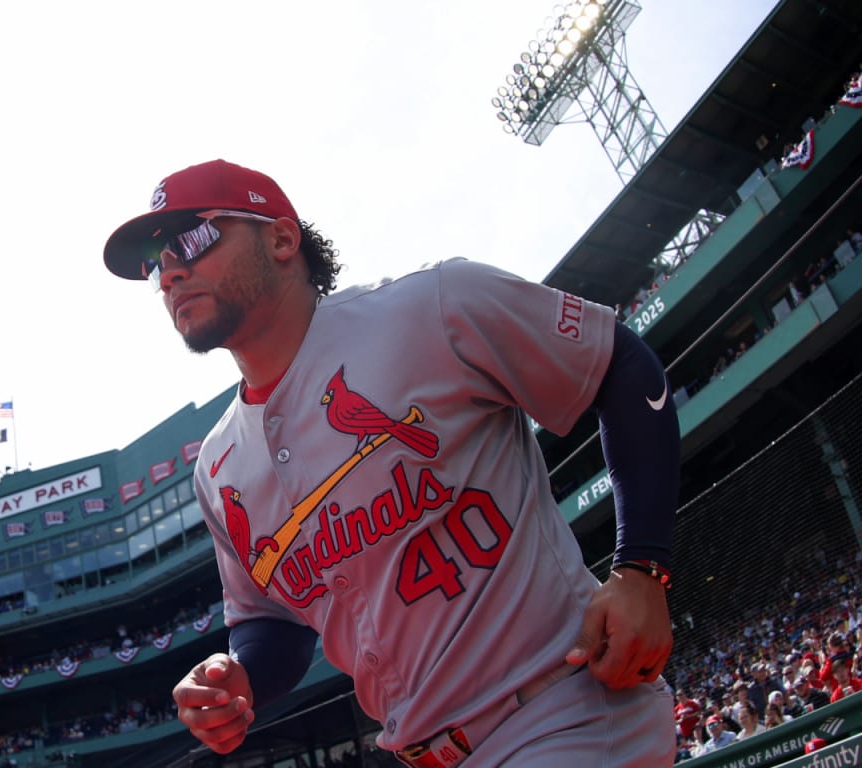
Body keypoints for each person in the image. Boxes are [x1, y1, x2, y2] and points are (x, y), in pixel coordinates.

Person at [103, 160, 679, 767]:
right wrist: (239, 674)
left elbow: (617, 365)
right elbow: (273, 623)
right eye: (156, 264)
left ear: (281, 239)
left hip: (561, 710)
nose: (171, 273)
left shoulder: (433, 305)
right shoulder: (218, 468)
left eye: (193, 239)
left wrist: (641, 568)